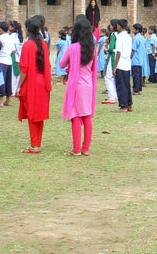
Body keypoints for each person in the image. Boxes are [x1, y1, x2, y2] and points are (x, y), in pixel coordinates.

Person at [61, 16, 98, 155]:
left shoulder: (72, 48)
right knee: (87, 116)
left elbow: (61, 64)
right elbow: (94, 67)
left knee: (76, 116)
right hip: (88, 85)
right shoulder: (92, 49)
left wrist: (71, 66)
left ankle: (76, 149)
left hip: (76, 86)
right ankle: (86, 148)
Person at [18, 16, 52, 153]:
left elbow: (24, 69)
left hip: (31, 82)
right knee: (39, 115)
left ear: (27, 30)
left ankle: (34, 145)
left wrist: (19, 85)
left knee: (32, 114)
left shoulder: (27, 45)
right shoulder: (43, 43)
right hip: (42, 81)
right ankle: (37, 143)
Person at [112, 19, 133, 112]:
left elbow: (118, 52)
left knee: (121, 86)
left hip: (120, 64)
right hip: (127, 63)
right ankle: (129, 104)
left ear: (119, 26)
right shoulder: (129, 37)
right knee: (127, 85)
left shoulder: (120, 37)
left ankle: (123, 106)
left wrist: (115, 66)